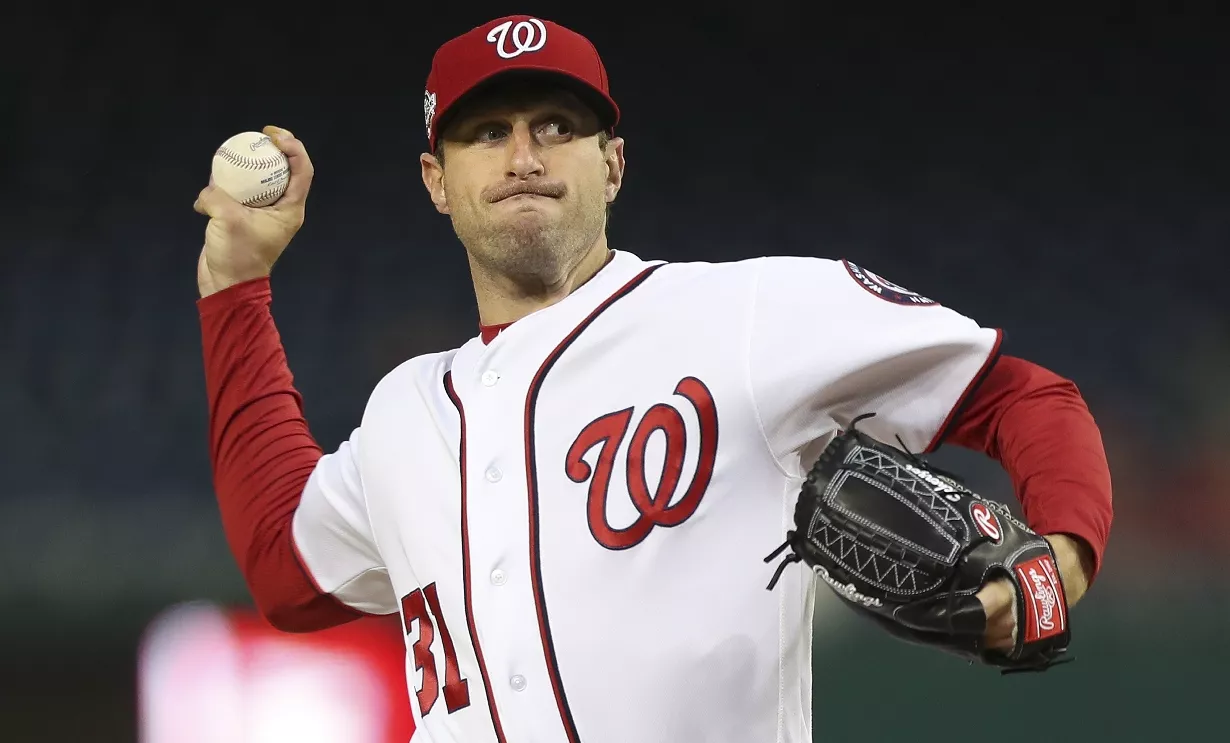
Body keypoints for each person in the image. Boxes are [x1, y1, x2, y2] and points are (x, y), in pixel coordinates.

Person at [192, 14, 1113, 743]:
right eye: (488, 132)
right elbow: (284, 565)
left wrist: (1061, 560)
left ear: (614, 163)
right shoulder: (404, 411)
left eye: (558, 126)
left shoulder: (744, 316)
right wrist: (235, 285)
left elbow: (1022, 396)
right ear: (437, 179)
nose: (524, 156)